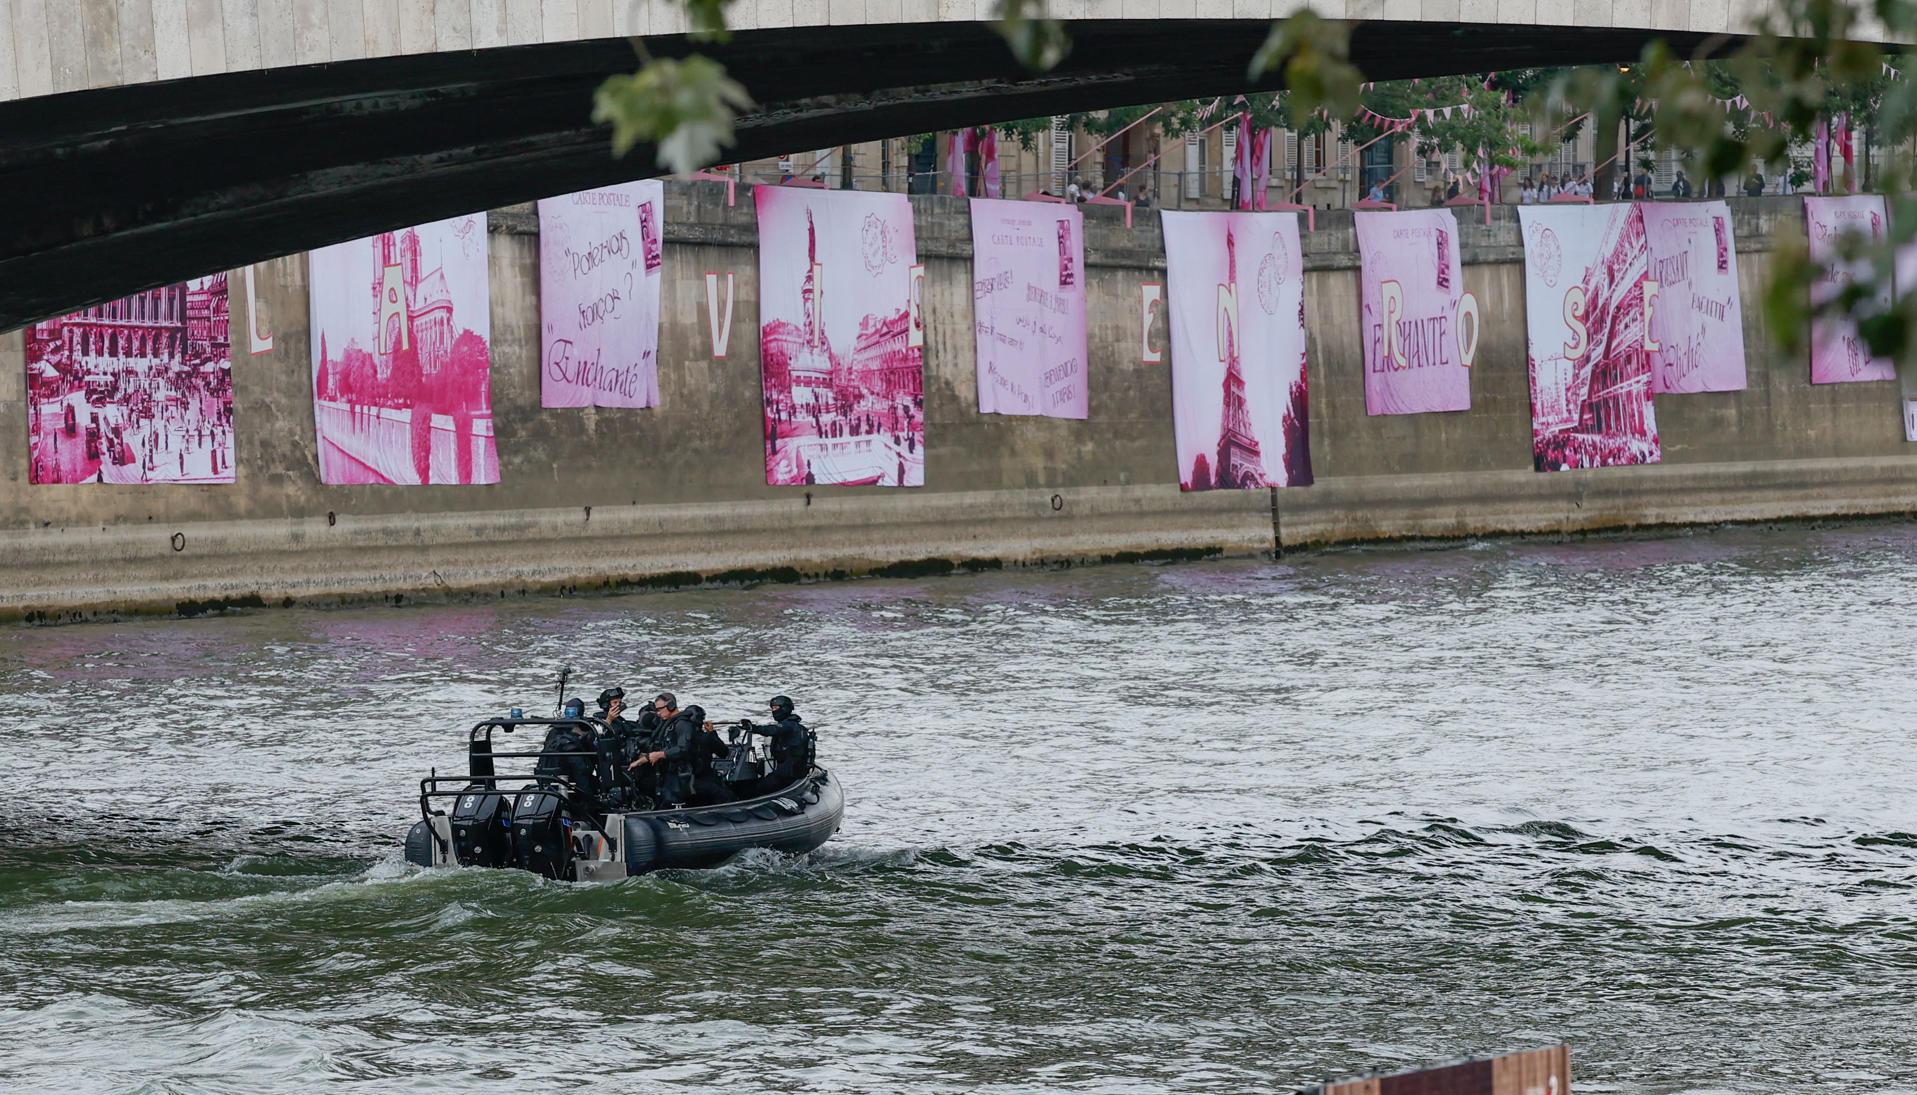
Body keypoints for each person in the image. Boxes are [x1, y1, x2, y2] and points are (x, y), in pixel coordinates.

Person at [741, 695, 814, 794]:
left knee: (757, 789)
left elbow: (773, 729)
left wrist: (753, 728)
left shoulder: (789, 725)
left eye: (776, 708)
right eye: (772, 708)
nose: (773, 711)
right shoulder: (793, 725)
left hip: (789, 773)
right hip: (789, 769)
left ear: (784, 708)